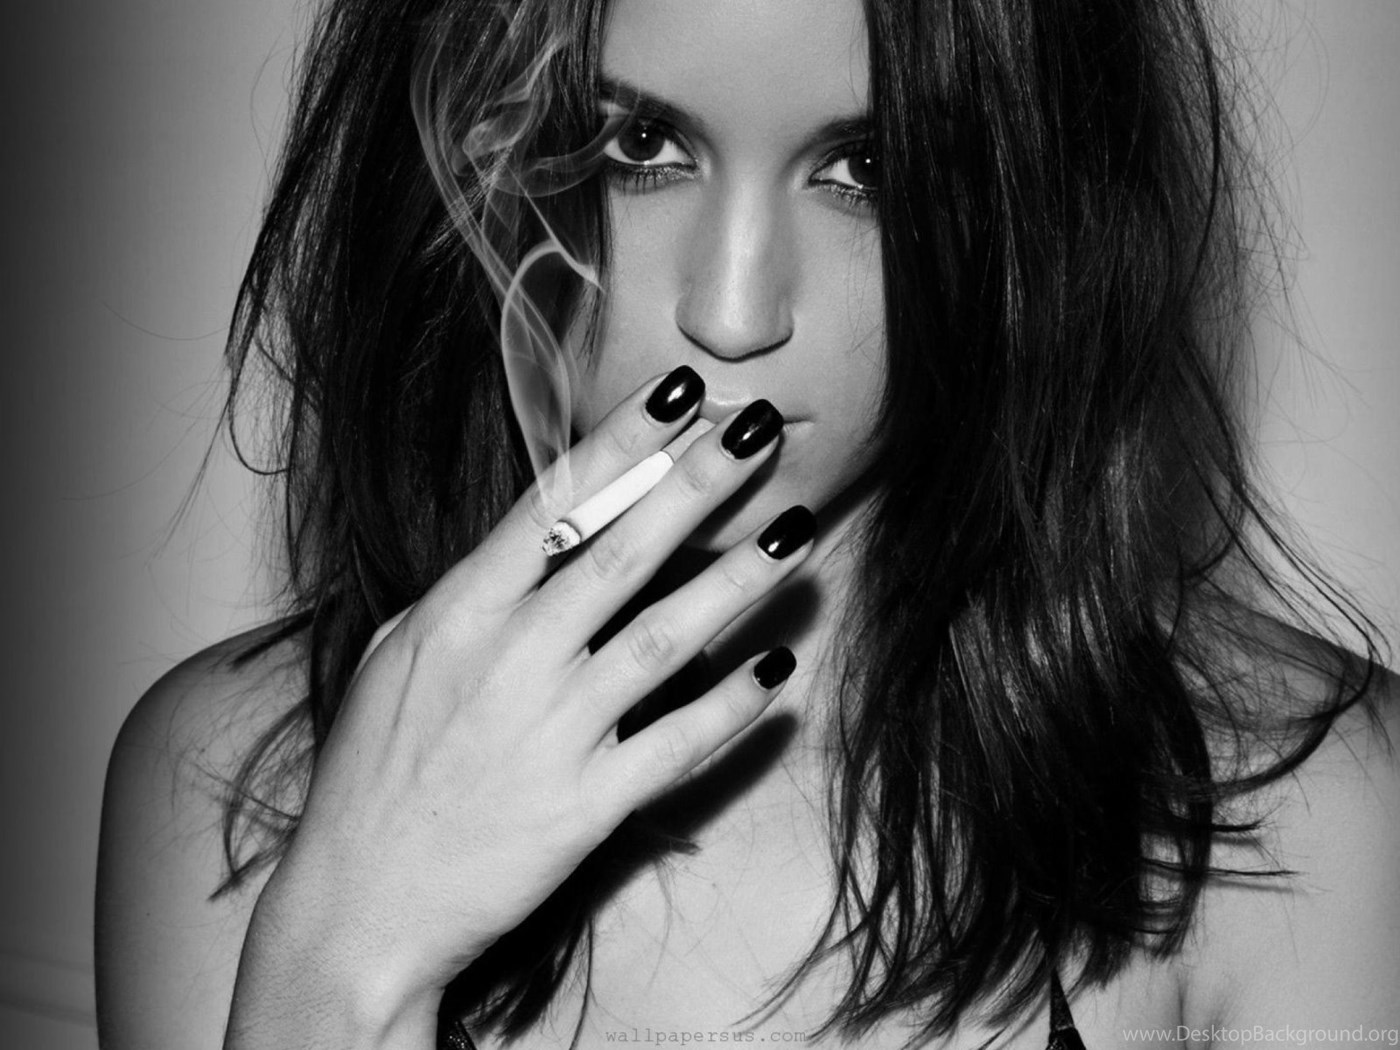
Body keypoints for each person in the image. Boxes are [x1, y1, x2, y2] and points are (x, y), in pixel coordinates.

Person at [95, 0, 1400, 1047]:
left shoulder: (1317, 821)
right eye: (635, 145)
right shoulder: (236, 786)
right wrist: (340, 966)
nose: (730, 314)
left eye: (867, 170)